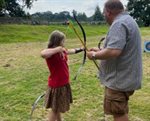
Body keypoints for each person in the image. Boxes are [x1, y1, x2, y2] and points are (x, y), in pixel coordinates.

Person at [87, 0, 142, 121]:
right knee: (120, 110)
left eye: (104, 13)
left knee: (118, 113)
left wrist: (94, 55)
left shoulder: (119, 23)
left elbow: (114, 51)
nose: (104, 16)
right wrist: (100, 50)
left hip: (119, 81)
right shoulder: (129, 20)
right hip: (125, 78)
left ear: (108, 12)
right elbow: (119, 48)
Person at [41, 30, 84, 121]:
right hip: (57, 84)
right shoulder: (51, 53)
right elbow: (43, 54)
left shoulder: (62, 51)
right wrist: (57, 49)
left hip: (63, 83)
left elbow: (71, 51)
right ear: (57, 41)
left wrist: (81, 49)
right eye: (63, 41)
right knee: (55, 109)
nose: (64, 43)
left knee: (57, 107)